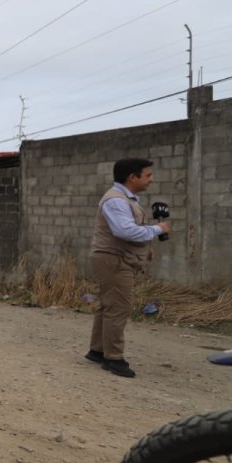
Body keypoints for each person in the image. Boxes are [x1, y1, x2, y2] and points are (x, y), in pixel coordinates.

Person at [86, 158, 170, 378]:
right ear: (132, 177)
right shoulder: (116, 200)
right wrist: (157, 229)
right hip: (114, 260)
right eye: (148, 175)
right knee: (120, 307)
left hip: (115, 258)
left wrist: (147, 245)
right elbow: (125, 231)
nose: (151, 180)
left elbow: (130, 230)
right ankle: (114, 359)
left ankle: (98, 350)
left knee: (108, 305)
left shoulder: (126, 199)